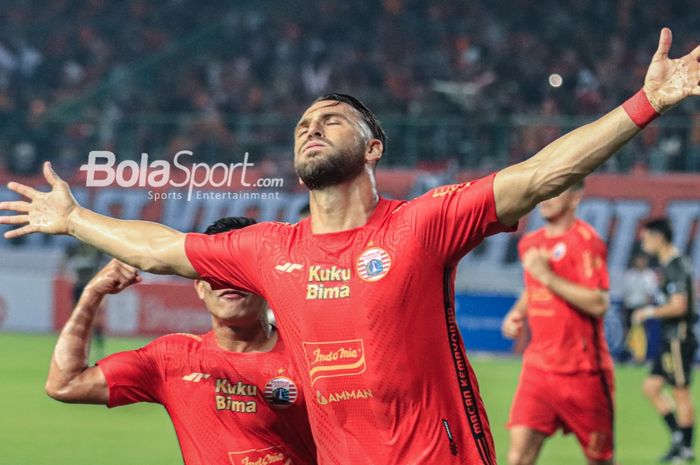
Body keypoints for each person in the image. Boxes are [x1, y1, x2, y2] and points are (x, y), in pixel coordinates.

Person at [3, 28, 699, 464]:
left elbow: (545, 172)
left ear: (373, 148)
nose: (312, 125)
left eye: (332, 118)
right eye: (306, 120)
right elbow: (160, 248)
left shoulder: (423, 223)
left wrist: (647, 104)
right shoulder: (269, 248)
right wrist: (74, 218)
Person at [44, 217, 317, 465]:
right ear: (199, 286)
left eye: (239, 272)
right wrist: (92, 294)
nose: (228, 283)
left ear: (264, 282)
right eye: (217, 273)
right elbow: (65, 384)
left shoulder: (309, 357)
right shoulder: (172, 358)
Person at [501, 182, 614, 465]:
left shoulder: (587, 241)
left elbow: (598, 302)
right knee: (518, 457)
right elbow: (532, 288)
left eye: (556, 193)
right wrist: (516, 313)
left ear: (575, 197)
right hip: (538, 370)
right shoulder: (531, 243)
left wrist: (547, 275)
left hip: (583, 373)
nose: (545, 200)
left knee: (599, 460)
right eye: (544, 194)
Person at [633, 218, 697, 463]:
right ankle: (679, 439)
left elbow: (679, 306)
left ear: (659, 237)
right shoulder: (667, 265)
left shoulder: (676, 265)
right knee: (651, 387)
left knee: (681, 393)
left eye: (647, 236)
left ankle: (686, 448)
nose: (643, 241)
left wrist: (648, 312)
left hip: (679, 338)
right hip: (669, 338)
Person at [621, 253, 658, 362]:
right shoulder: (629, 275)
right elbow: (625, 294)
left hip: (642, 307)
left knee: (641, 332)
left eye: (643, 260)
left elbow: (651, 294)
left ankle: (640, 357)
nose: (640, 262)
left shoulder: (649, 275)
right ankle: (631, 355)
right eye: (638, 260)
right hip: (630, 307)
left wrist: (645, 309)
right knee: (629, 333)